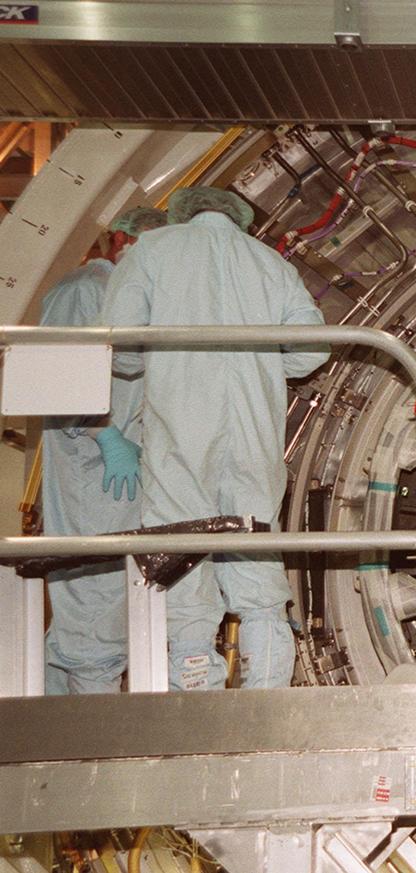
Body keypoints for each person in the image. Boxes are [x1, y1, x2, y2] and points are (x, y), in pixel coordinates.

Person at [101, 186, 330, 691]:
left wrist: (147, 364)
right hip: (254, 427)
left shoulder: (151, 252)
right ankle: (267, 688)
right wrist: (269, 366)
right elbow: (312, 350)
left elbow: (119, 342)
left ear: (181, 212)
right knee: (253, 547)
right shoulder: (270, 262)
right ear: (241, 219)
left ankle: (196, 685)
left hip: (180, 419)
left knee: (182, 542)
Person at [42, 206, 167, 694]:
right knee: (95, 612)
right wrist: (106, 435)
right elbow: (54, 381)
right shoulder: (82, 291)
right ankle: (88, 754)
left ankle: (38, 744)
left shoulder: (119, 293)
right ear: (120, 241)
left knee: (89, 615)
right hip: (94, 469)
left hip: (115, 475)